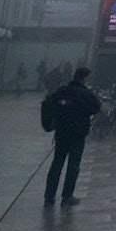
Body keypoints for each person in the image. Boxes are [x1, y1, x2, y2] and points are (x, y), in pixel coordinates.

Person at [43, 67, 102, 208]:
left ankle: (49, 197)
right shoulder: (85, 93)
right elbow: (96, 108)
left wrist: (52, 122)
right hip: (77, 135)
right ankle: (67, 196)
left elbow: (48, 103)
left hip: (61, 133)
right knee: (73, 165)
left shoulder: (62, 90)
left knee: (57, 164)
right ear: (84, 78)